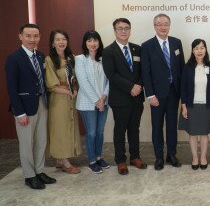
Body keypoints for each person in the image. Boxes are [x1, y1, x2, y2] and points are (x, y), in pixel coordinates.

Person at [5, 24, 56, 189]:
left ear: (40, 37)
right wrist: (19, 113)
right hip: (25, 107)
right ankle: (29, 175)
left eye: (36, 36)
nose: (32, 40)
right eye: (28, 36)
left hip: (42, 103)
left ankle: (39, 171)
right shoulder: (14, 59)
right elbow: (12, 88)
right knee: (26, 143)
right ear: (20, 36)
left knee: (41, 140)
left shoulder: (40, 56)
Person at [102, 18, 146, 175]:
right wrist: (130, 87)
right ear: (114, 31)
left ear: (130, 30)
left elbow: (143, 72)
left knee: (134, 128)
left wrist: (138, 86)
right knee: (120, 130)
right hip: (120, 98)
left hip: (137, 96)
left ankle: (135, 157)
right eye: (119, 28)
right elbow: (111, 75)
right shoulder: (108, 51)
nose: (123, 31)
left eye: (126, 28)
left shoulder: (137, 49)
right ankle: (120, 160)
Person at [141, 13, 185, 170]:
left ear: (169, 25)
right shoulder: (146, 46)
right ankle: (159, 157)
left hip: (174, 92)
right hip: (157, 95)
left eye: (166, 24)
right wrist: (150, 94)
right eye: (159, 24)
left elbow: (181, 68)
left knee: (172, 126)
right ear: (154, 26)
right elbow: (145, 72)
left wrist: (183, 92)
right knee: (157, 126)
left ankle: (171, 155)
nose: (163, 27)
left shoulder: (176, 43)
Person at [45, 30, 82, 174]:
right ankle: (65, 162)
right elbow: (51, 84)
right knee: (60, 128)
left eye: (64, 39)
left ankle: (61, 160)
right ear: (53, 43)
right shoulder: (49, 59)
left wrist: (75, 88)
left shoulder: (71, 58)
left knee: (70, 126)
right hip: (59, 99)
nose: (61, 42)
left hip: (71, 97)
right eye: (58, 39)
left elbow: (75, 77)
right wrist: (68, 91)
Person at [179, 39, 210, 170]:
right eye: (196, 48)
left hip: (206, 105)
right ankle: (195, 157)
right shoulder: (187, 67)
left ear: (205, 49)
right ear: (192, 51)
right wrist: (183, 107)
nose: (199, 51)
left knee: (204, 133)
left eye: (202, 48)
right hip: (191, 105)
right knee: (193, 133)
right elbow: (183, 88)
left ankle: (203, 157)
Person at [75, 31, 110, 174]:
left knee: (100, 132)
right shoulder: (80, 59)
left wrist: (104, 97)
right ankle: (92, 161)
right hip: (88, 103)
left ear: (99, 42)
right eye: (89, 40)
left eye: (95, 40)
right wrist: (97, 101)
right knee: (91, 133)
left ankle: (99, 156)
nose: (93, 43)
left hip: (104, 101)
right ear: (85, 43)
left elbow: (109, 80)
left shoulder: (104, 59)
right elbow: (83, 83)